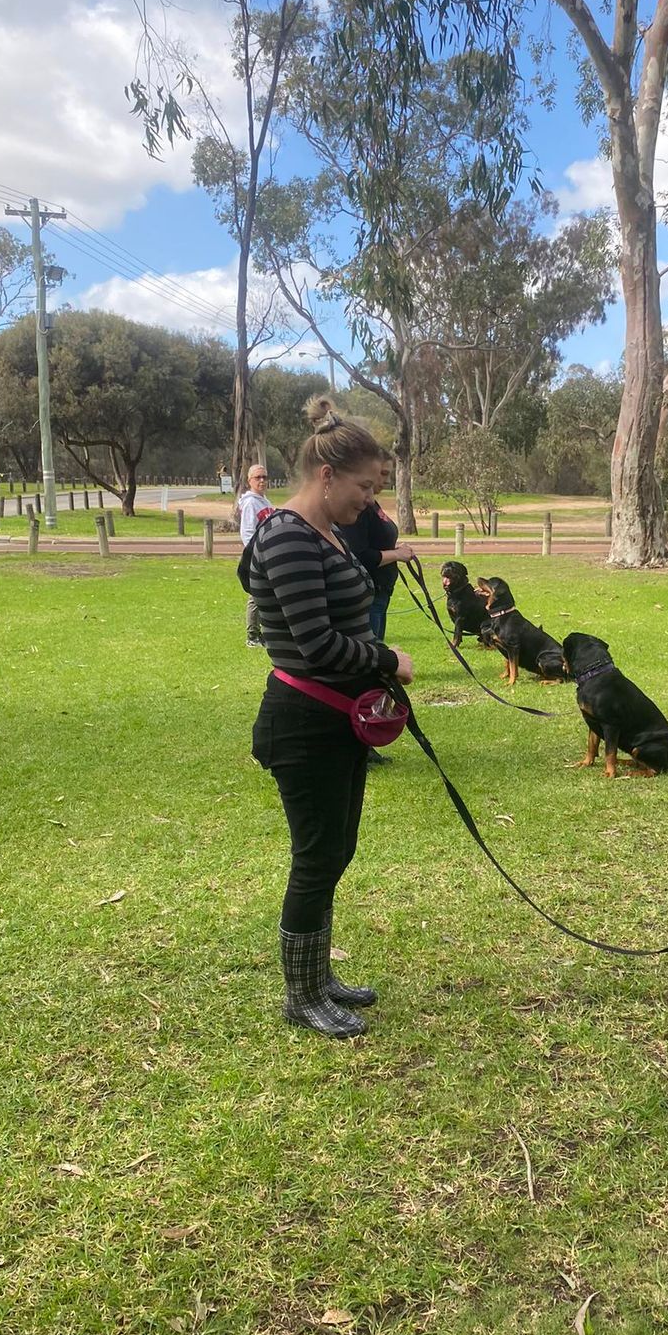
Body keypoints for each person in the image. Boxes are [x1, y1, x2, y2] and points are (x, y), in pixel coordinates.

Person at [247, 398, 414, 1038]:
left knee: (337, 847)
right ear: (325, 475)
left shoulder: (328, 533)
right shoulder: (286, 534)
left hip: (340, 718)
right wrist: (388, 659)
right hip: (302, 722)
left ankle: (318, 975)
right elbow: (315, 644)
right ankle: (301, 994)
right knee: (317, 854)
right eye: (364, 488)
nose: (372, 504)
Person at [337, 448, 416, 765]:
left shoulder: (372, 505)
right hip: (366, 596)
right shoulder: (357, 509)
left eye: (384, 475)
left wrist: (395, 549)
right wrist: (397, 556)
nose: (381, 483)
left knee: (371, 666)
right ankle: (361, 738)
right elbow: (361, 556)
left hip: (380, 593)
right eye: (378, 475)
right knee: (366, 666)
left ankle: (366, 734)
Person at [237, 464, 272, 647]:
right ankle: (252, 636)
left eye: (264, 477)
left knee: (265, 593)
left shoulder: (264, 500)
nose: (262, 481)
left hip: (267, 553)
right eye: (258, 477)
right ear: (249, 480)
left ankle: (264, 633)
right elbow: (248, 532)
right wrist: (257, 555)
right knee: (256, 595)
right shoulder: (251, 502)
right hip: (257, 556)